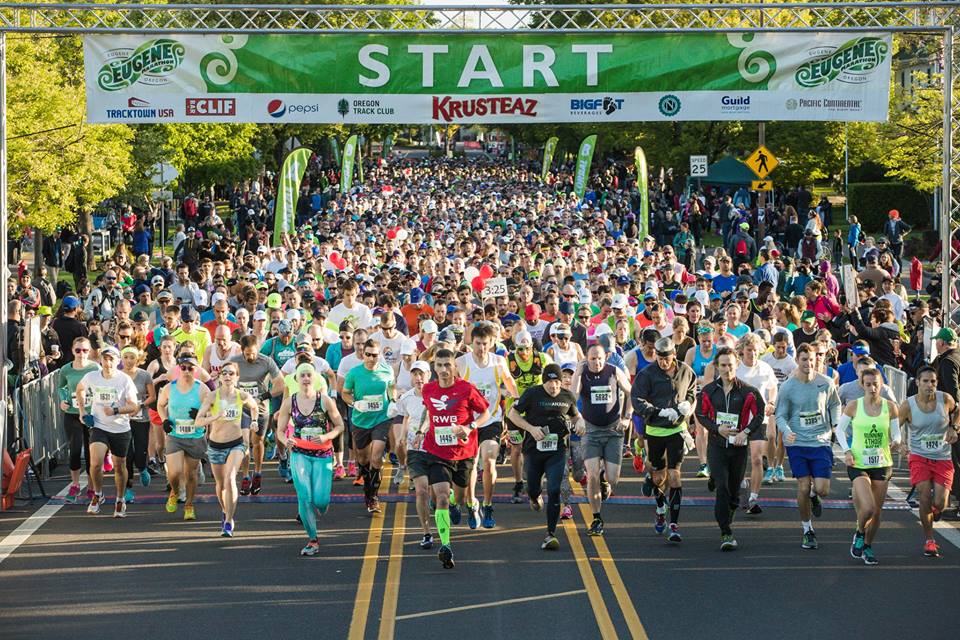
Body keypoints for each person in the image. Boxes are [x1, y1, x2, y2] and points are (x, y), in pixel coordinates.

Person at [421, 348, 492, 569]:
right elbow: (428, 411)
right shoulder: (428, 390)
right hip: (437, 451)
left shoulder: (466, 389)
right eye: (439, 365)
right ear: (434, 367)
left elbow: (485, 414)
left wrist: (469, 427)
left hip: (464, 452)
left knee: (458, 498)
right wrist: (421, 430)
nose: (443, 370)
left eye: (447, 365)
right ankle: (446, 545)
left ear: (455, 367)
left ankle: (463, 502)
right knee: (441, 497)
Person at [696, 347, 765, 550]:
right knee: (722, 489)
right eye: (723, 365)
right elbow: (700, 415)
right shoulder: (709, 391)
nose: (727, 369)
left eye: (731, 365)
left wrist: (745, 432)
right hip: (717, 446)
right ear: (717, 367)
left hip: (738, 448)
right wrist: (717, 428)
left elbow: (760, 414)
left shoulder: (748, 391)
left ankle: (729, 507)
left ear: (737, 366)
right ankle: (726, 532)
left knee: (734, 493)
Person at [507, 363, 581, 550]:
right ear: (544, 381)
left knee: (554, 489)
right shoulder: (532, 393)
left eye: (557, 381)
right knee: (533, 489)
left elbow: (576, 416)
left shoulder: (567, 396)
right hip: (534, 451)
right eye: (550, 382)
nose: (554, 386)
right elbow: (512, 414)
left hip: (557, 451)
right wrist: (531, 429)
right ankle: (534, 497)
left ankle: (550, 534)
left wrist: (580, 424)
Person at [775, 343, 841, 549]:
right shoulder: (788, 386)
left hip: (820, 441)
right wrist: (786, 431)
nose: (808, 363)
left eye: (812, 359)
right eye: (804, 359)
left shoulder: (826, 382)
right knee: (803, 486)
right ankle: (807, 530)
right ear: (798, 360)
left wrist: (835, 424)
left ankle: (814, 497)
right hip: (798, 443)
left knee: (822, 490)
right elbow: (780, 415)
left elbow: (834, 404)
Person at [631, 337, 697, 542]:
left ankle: (674, 525)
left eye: (666, 358)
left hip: (677, 429)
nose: (663, 362)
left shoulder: (686, 371)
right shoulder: (647, 374)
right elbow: (637, 400)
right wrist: (657, 411)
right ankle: (660, 507)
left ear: (674, 355)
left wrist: (687, 407)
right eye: (659, 358)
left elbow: (693, 393)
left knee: (675, 475)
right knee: (658, 477)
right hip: (656, 430)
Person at [276, 363, 345, 555]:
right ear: (297, 379)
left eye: (309, 375)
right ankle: (313, 540)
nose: (306, 378)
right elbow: (280, 431)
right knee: (304, 497)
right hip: (300, 452)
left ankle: (320, 504)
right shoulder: (289, 402)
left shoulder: (324, 401)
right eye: (302, 375)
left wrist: (326, 437)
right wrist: (286, 440)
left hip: (323, 454)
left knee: (321, 501)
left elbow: (340, 426)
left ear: (314, 378)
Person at [836, 367, 900, 565]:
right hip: (858, 462)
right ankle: (860, 532)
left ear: (882, 384)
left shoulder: (890, 407)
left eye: (876, 384)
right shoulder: (855, 406)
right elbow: (839, 430)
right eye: (868, 384)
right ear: (862, 385)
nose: (873, 388)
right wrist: (846, 450)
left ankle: (868, 546)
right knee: (869, 508)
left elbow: (896, 432)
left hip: (882, 462)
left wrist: (896, 441)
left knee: (877, 511)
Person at [456, 322, 518, 529]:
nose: (481, 348)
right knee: (471, 464)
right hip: (468, 423)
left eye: (485, 343)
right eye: (477, 343)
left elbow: (510, 383)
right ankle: (472, 503)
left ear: (492, 343)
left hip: (490, 419)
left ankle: (488, 504)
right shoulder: (462, 363)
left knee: (489, 461)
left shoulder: (498, 362)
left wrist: (516, 400)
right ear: (471, 342)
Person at [571, 343, 633, 536]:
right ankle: (596, 518)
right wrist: (577, 374)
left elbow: (631, 392)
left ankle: (605, 482)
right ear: (586, 359)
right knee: (592, 475)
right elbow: (572, 398)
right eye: (592, 359)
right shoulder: (583, 375)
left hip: (613, 430)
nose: (596, 362)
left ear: (605, 357)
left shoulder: (614, 371)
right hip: (590, 431)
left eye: (599, 358)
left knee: (613, 478)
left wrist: (627, 417)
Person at [900, 367, 959, 558]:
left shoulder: (946, 399)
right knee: (924, 496)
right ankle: (929, 540)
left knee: (940, 503)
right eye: (925, 381)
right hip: (919, 457)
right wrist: (899, 442)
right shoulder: (908, 405)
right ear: (917, 382)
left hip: (942, 457)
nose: (929, 385)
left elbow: (958, 411)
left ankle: (934, 510)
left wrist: (954, 427)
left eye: (933, 381)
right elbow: (894, 426)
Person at [75, 345, 140, 518]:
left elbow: (134, 406)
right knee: (95, 463)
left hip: (120, 427)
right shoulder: (92, 377)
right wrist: (83, 410)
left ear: (118, 361)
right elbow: (80, 389)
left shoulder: (124, 380)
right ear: (100, 360)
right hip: (99, 426)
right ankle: (98, 495)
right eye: (105, 358)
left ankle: (120, 499)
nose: (108, 362)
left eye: (112, 359)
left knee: (120, 466)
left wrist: (117, 411)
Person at [196, 361, 259, 537]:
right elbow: (198, 421)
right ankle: (225, 511)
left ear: (237, 377)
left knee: (231, 478)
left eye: (231, 373)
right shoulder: (212, 396)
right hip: (215, 446)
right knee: (221, 485)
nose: (228, 376)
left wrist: (254, 421)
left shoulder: (242, 396)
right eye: (224, 373)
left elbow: (254, 407)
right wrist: (214, 416)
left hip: (236, 443)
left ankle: (229, 521)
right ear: (220, 377)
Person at [342, 338, 396, 514]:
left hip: (382, 419)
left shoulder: (387, 370)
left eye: (375, 355)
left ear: (380, 355)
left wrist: (393, 399)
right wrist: (354, 403)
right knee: (363, 460)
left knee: (376, 457)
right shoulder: (354, 373)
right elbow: (345, 393)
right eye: (368, 355)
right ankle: (367, 488)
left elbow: (392, 387)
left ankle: (373, 497)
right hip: (361, 421)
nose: (372, 358)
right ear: (363, 355)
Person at [157, 353, 211, 521]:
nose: (187, 371)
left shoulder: (202, 388)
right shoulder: (169, 388)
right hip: (175, 435)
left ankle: (189, 504)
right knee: (174, 473)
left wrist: (202, 414)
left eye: (190, 368)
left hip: (195, 436)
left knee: (191, 474)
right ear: (178, 368)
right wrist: (165, 419)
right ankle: (174, 491)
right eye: (183, 368)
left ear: (196, 369)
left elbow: (213, 410)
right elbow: (160, 404)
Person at [390, 361, 435, 549]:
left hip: (437, 448)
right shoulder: (407, 397)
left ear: (429, 375)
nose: (418, 378)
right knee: (421, 490)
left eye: (422, 374)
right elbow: (406, 416)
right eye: (415, 374)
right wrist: (401, 436)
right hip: (415, 449)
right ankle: (426, 532)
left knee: (436, 492)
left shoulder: (436, 394)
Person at [57, 336, 100, 503]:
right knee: (74, 451)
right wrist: (62, 400)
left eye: (85, 350)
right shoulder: (66, 369)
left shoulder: (95, 368)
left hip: (91, 415)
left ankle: (91, 486)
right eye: (78, 350)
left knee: (92, 454)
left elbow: (101, 386)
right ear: (72, 351)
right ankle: (75, 485)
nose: (81, 353)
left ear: (89, 352)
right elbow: (61, 387)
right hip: (73, 414)